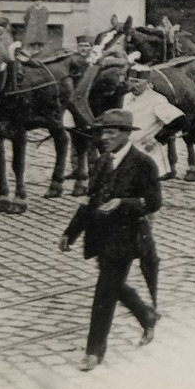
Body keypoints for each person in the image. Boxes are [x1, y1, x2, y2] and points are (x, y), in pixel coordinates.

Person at [60, 109, 162, 372]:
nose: (104, 137)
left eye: (111, 133)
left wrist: (123, 202)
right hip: (100, 235)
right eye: (103, 132)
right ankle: (146, 315)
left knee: (104, 292)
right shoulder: (102, 161)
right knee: (114, 285)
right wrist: (70, 233)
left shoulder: (144, 163)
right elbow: (90, 201)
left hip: (127, 238)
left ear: (126, 135)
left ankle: (94, 352)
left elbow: (154, 203)